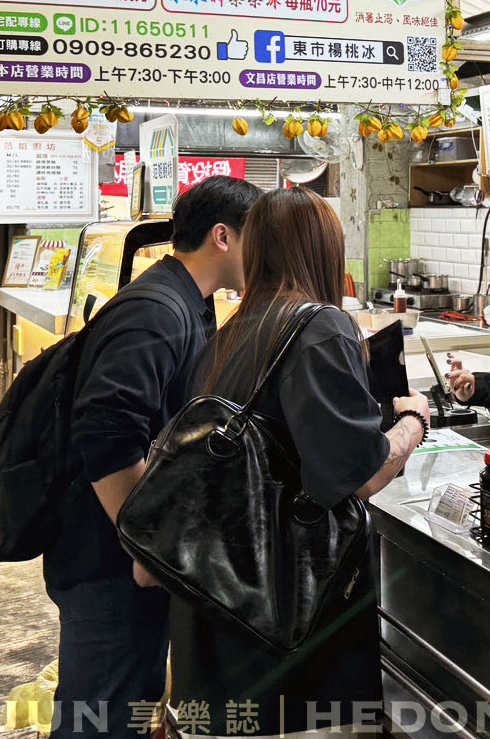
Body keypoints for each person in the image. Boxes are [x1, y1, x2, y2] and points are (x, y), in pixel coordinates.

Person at [155, 187, 430, 736]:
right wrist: (412, 421)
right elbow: (361, 474)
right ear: (323, 250)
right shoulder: (318, 326)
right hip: (288, 634)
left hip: (217, 620)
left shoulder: (228, 335)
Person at [43, 175, 261, 737]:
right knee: (101, 717)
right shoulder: (158, 312)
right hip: (107, 564)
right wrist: (153, 544)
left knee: (124, 707)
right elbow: (106, 432)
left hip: (120, 560)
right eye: (257, 236)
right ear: (222, 237)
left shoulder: (186, 302)